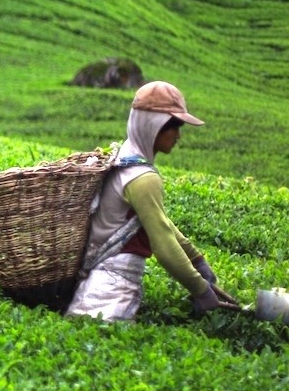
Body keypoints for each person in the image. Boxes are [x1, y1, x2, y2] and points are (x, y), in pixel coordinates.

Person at [67, 80, 222, 321]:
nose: (178, 135)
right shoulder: (142, 177)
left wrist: (197, 261)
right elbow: (163, 243)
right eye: (174, 126)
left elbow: (159, 222)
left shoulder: (123, 156)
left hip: (98, 270)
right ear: (153, 125)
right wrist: (200, 290)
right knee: (100, 335)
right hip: (114, 281)